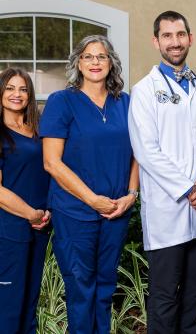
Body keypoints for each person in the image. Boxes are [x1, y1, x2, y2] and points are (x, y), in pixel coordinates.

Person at [128, 11, 196, 334]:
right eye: (167, 36)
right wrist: (190, 190)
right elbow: (146, 151)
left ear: (190, 38)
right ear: (156, 41)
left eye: (180, 35)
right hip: (168, 211)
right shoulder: (145, 91)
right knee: (163, 297)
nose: (175, 42)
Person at [40, 35, 139, 334]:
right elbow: (52, 163)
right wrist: (92, 199)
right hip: (75, 212)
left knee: (106, 286)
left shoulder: (127, 103)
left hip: (116, 211)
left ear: (111, 63)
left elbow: (139, 154)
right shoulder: (62, 102)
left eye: (102, 56)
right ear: (78, 64)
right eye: (88, 56)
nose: (95, 62)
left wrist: (131, 194)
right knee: (81, 288)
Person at [0, 68, 51, 333]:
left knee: (29, 304)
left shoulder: (39, 130)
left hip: (39, 228)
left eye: (22, 89)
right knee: (8, 306)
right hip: (9, 230)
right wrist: (31, 213)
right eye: (9, 88)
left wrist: (45, 213)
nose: (16, 95)